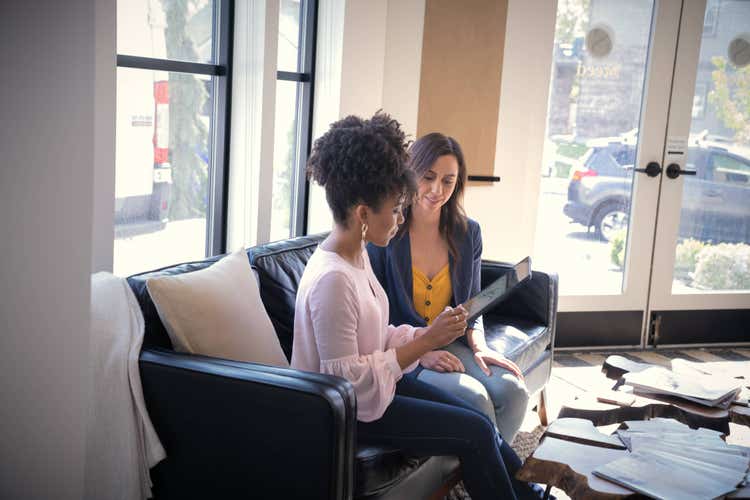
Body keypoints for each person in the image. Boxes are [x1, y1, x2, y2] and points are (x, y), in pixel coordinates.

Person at [291, 112, 545, 500]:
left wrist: (427, 334)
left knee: (477, 418)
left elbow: (377, 336)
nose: (399, 219)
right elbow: (346, 382)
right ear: (363, 214)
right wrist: (425, 345)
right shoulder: (333, 279)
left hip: (379, 388)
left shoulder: (355, 256)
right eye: (394, 209)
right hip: (348, 412)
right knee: (474, 431)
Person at [367, 132, 529, 442]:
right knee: (475, 398)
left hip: (453, 343)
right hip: (405, 349)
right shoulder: (385, 231)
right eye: (428, 177)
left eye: (448, 181)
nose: (436, 190)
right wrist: (420, 351)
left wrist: (480, 345)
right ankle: (484, 470)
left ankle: (483, 478)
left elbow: (473, 307)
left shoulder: (468, 233)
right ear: (410, 173)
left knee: (513, 392)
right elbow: (374, 318)